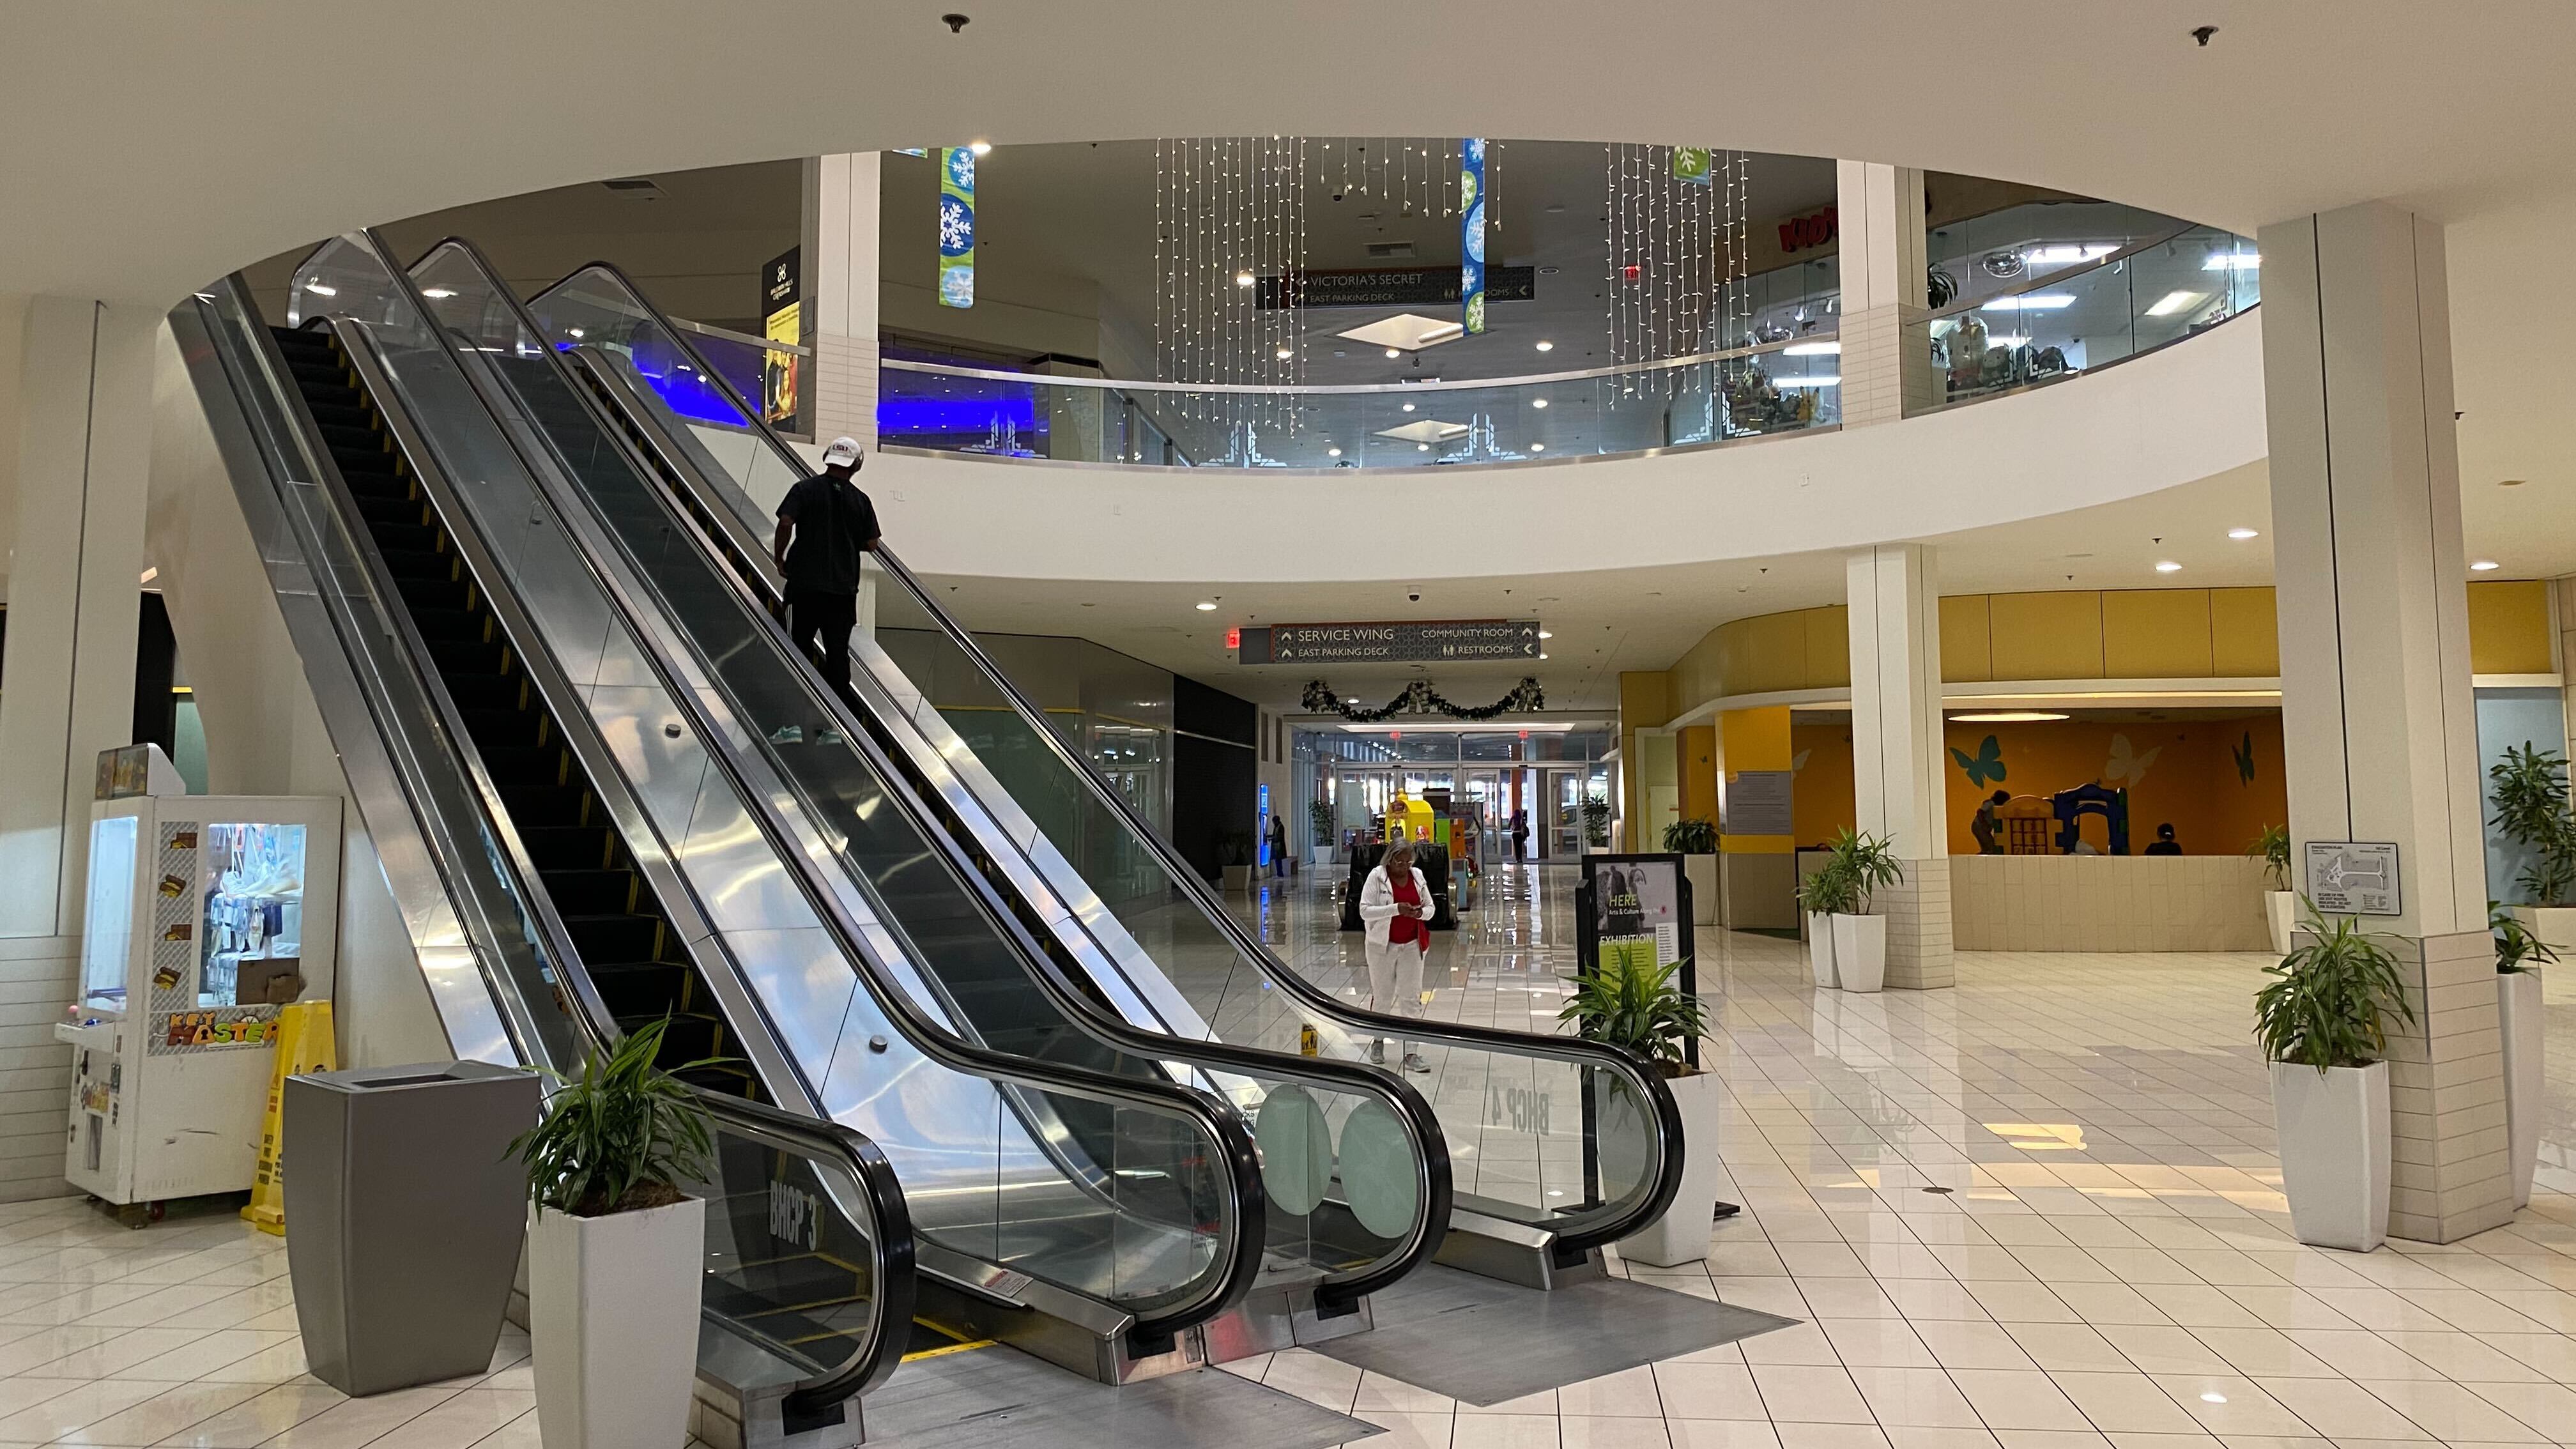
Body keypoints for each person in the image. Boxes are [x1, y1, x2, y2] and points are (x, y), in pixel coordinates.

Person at [769, 436, 880, 742]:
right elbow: (872, 542)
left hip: (803, 588)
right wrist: (848, 542)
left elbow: (786, 521)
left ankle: (792, 726)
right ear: (856, 465)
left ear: (828, 458)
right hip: (842, 594)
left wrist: (779, 557)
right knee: (837, 660)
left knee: (796, 653)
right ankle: (834, 729)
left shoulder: (805, 489)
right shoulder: (861, 500)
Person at [1356, 841, 1433, 1073]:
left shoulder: (1417, 876)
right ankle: (1378, 1041)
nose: (1405, 866)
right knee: (1383, 997)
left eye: (1409, 861)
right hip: (1382, 946)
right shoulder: (1376, 877)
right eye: (1400, 862)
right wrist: (1395, 909)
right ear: (1390, 859)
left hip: (1412, 945)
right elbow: (1364, 911)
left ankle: (1411, 1052)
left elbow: (1431, 908)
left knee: (1412, 998)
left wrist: (1420, 913)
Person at [1970, 790, 2010, 854]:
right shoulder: (1991, 803)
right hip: (1979, 826)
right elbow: (1980, 812)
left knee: (1989, 845)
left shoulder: (1996, 807)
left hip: (1981, 827)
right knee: (1990, 846)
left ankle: (1983, 854)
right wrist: (1984, 823)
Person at [1267, 811, 1289, 878]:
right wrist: (1269, 836)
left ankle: (1280, 873)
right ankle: (1279, 873)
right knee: (1278, 860)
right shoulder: (1277, 827)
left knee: (1278, 860)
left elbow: (1279, 837)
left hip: (1279, 847)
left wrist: (1272, 838)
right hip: (1277, 846)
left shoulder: (1280, 827)